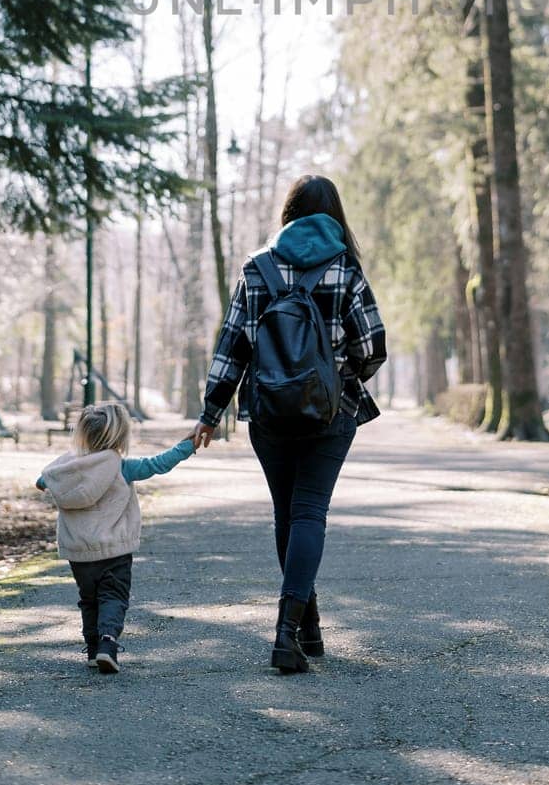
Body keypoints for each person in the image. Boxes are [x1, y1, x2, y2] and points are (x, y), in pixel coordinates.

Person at [193, 173, 387, 673]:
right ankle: (288, 632)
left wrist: (211, 412)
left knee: (287, 516)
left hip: (268, 413)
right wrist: (342, 373)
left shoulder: (256, 269)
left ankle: (307, 628)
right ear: (335, 214)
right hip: (330, 413)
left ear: (288, 214)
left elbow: (231, 345)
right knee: (309, 514)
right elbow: (372, 347)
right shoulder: (344, 267)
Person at [37, 401, 195, 673]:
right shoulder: (122, 467)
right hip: (114, 549)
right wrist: (188, 445)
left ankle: (92, 647)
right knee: (113, 597)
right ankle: (107, 645)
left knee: (89, 599)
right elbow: (159, 464)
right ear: (119, 436)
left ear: (83, 433)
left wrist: (43, 482)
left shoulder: (66, 468)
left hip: (78, 551)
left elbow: (44, 481)